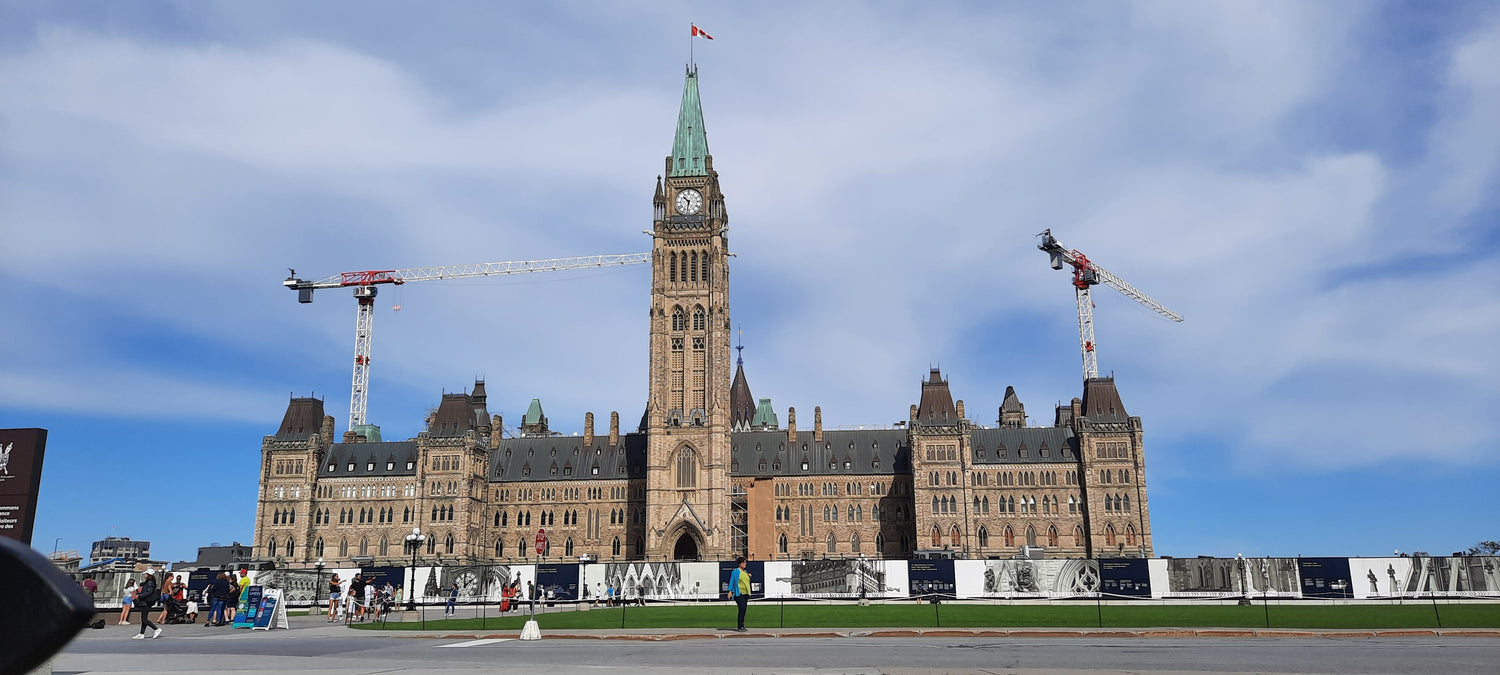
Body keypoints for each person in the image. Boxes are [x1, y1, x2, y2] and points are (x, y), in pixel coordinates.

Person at [132, 570, 162, 639]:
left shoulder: (150, 582)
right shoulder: (149, 582)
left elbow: (149, 592)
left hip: (146, 602)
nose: (144, 575)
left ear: (148, 575)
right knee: (144, 619)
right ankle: (141, 633)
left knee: (144, 619)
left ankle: (156, 629)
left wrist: (139, 596)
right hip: (145, 601)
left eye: (146, 574)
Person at [728, 556, 750, 632]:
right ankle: (740, 626)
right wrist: (730, 591)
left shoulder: (745, 572)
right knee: (742, 608)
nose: (745, 564)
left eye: (745, 562)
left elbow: (745, 581)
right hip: (738, 593)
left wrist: (749, 576)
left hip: (745, 593)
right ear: (739, 564)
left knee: (744, 609)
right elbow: (732, 581)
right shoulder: (735, 572)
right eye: (743, 563)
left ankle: (742, 625)